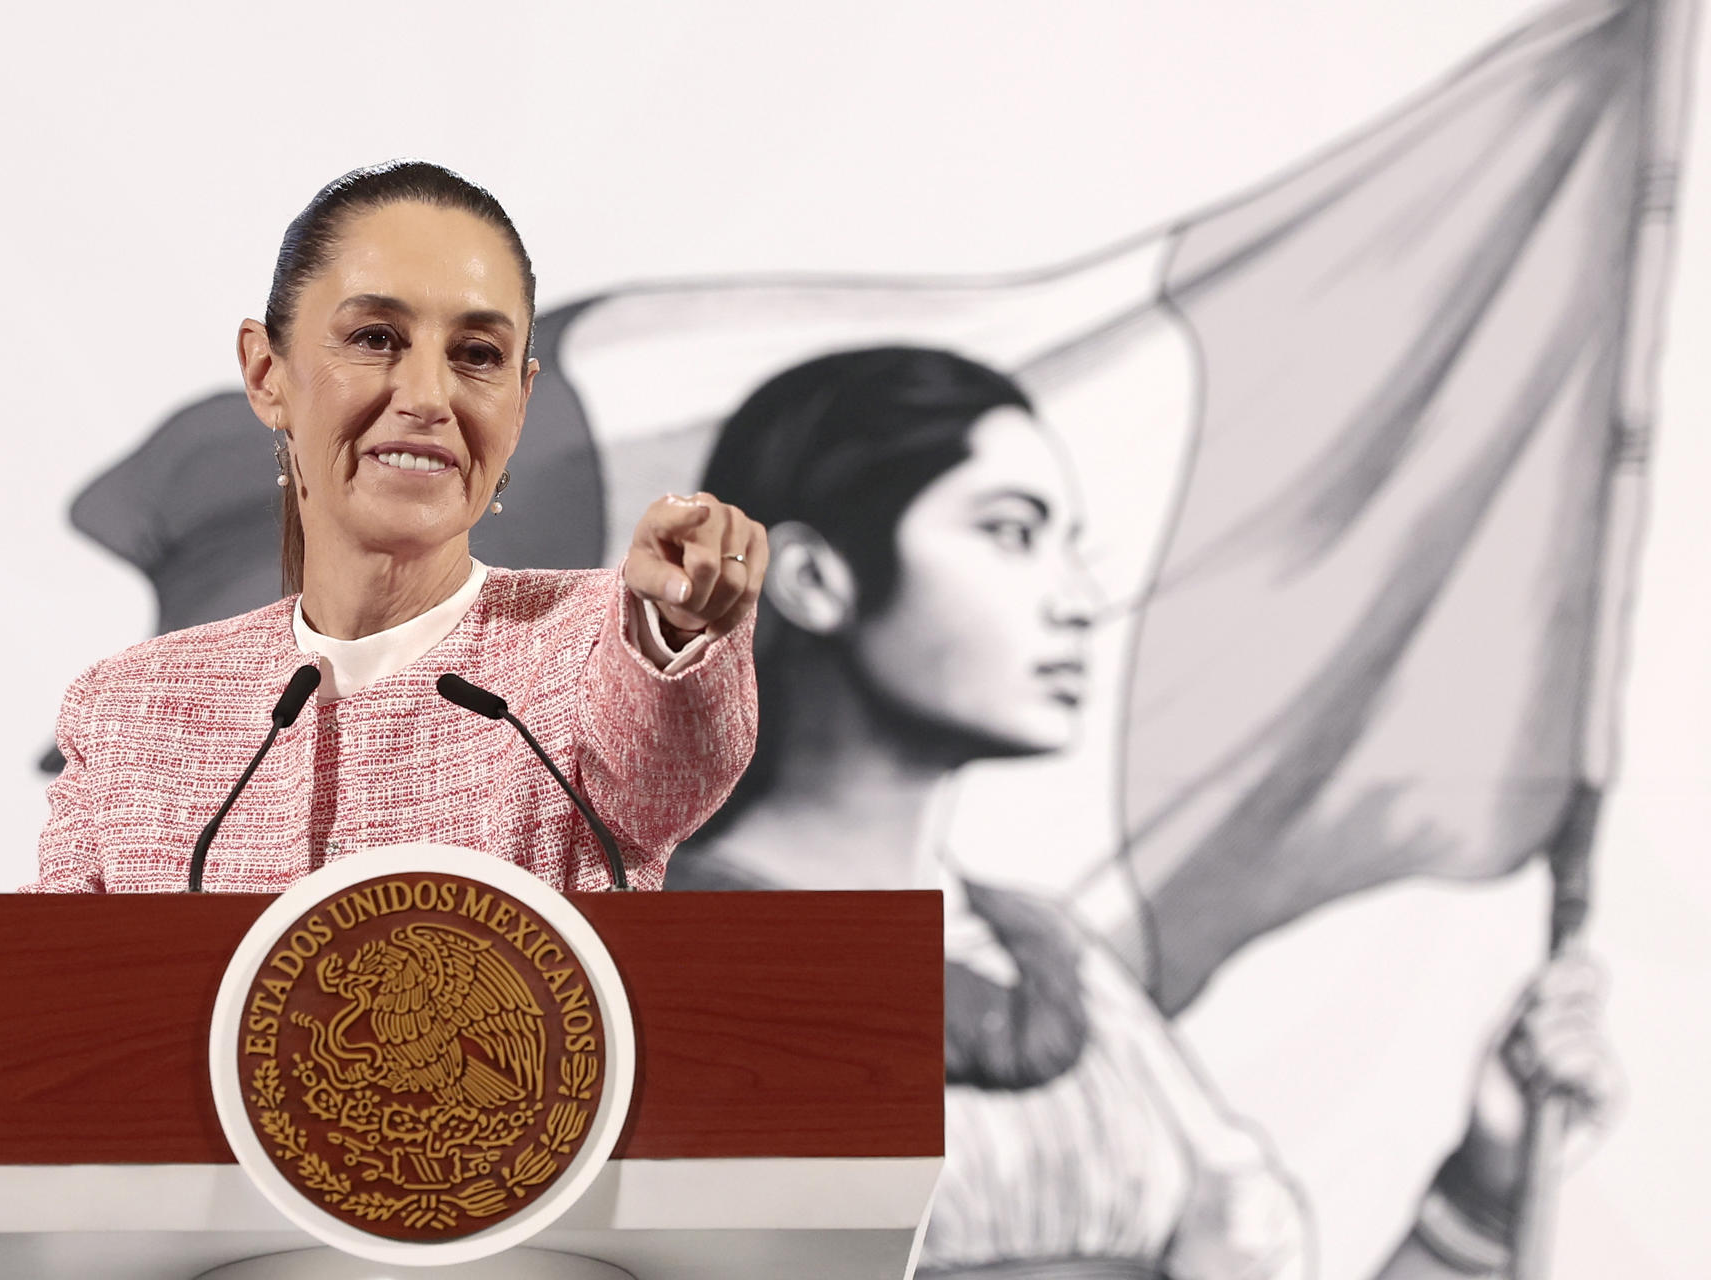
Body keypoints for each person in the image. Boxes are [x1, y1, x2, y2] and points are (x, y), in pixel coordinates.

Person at [0, 161, 768, 1172]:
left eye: (478, 353)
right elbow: (62, 985)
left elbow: (670, 760)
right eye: (375, 338)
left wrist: (681, 625)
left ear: (521, 399)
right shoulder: (135, 705)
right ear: (267, 372)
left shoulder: (594, 639)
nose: (427, 394)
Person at [664, 346, 1617, 1279]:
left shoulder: (1057, 960)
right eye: (1011, 532)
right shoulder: (672, 972)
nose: (1078, 600)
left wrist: (1484, 1186)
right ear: (814, 579)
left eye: (1073, 546)